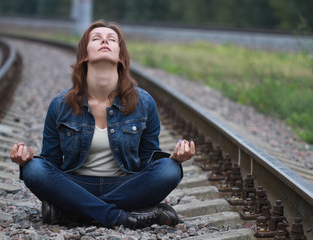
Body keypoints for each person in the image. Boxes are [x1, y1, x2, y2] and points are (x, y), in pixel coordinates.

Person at [10, 21, 195, 229]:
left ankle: (73, 212)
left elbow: (147, 160)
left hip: (126, 184)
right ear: (85, 56)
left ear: (121, 57)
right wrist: (24, 160)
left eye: (112, 39)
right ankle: (120, 217)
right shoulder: (60, 105)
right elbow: (51, 162)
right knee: (34, 169)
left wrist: (176, 158)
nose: (105, 40)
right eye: (96, 38)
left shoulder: (144, 102)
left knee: (169, 169)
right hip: (76, 184)